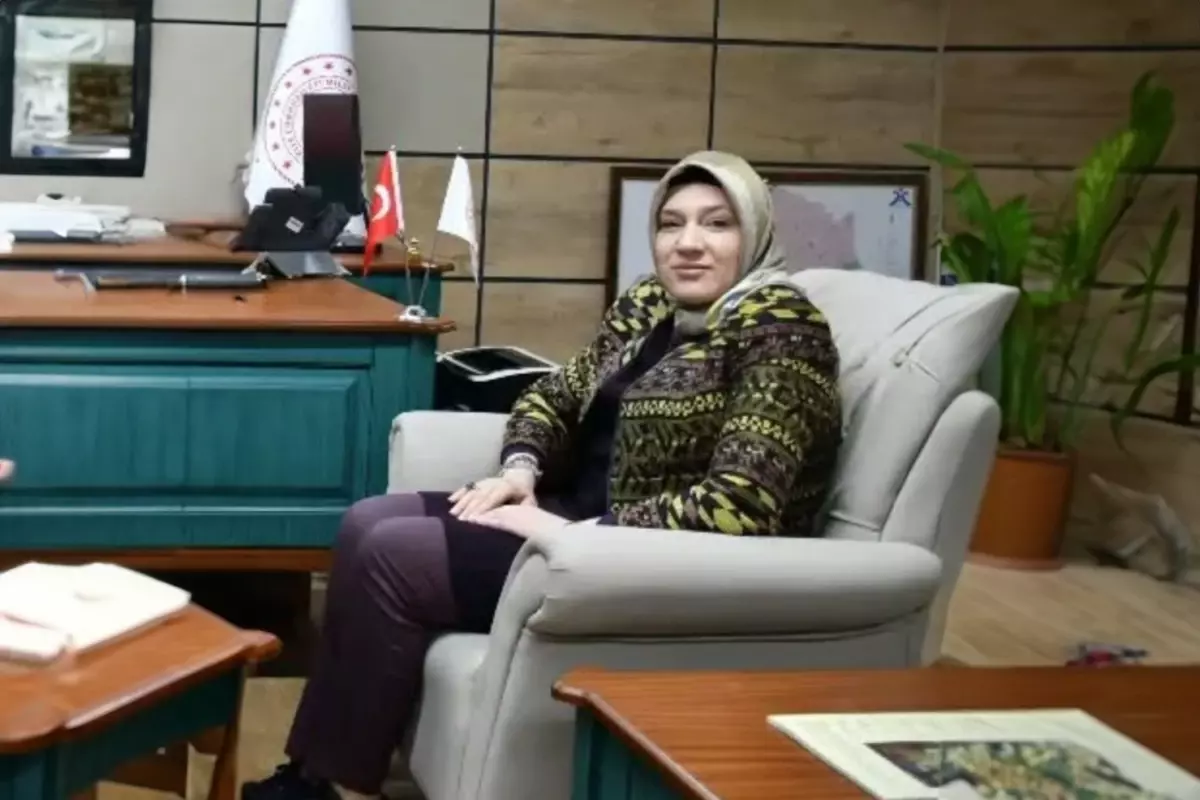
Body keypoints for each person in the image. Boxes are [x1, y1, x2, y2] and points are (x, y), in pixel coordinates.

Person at [242, 150, 843, 800]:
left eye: (717, 224)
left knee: (394, 555)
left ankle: (340, 787)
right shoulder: (651, 305)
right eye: (671, 224)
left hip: (640, 555)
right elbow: (553, 396)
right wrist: (521, 469)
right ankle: (318, 771)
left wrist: (573, 531)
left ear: (755, 232)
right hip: (568, 518)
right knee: (367, 521)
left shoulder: (783, 332)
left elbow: (742, 504)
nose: (688, 243)